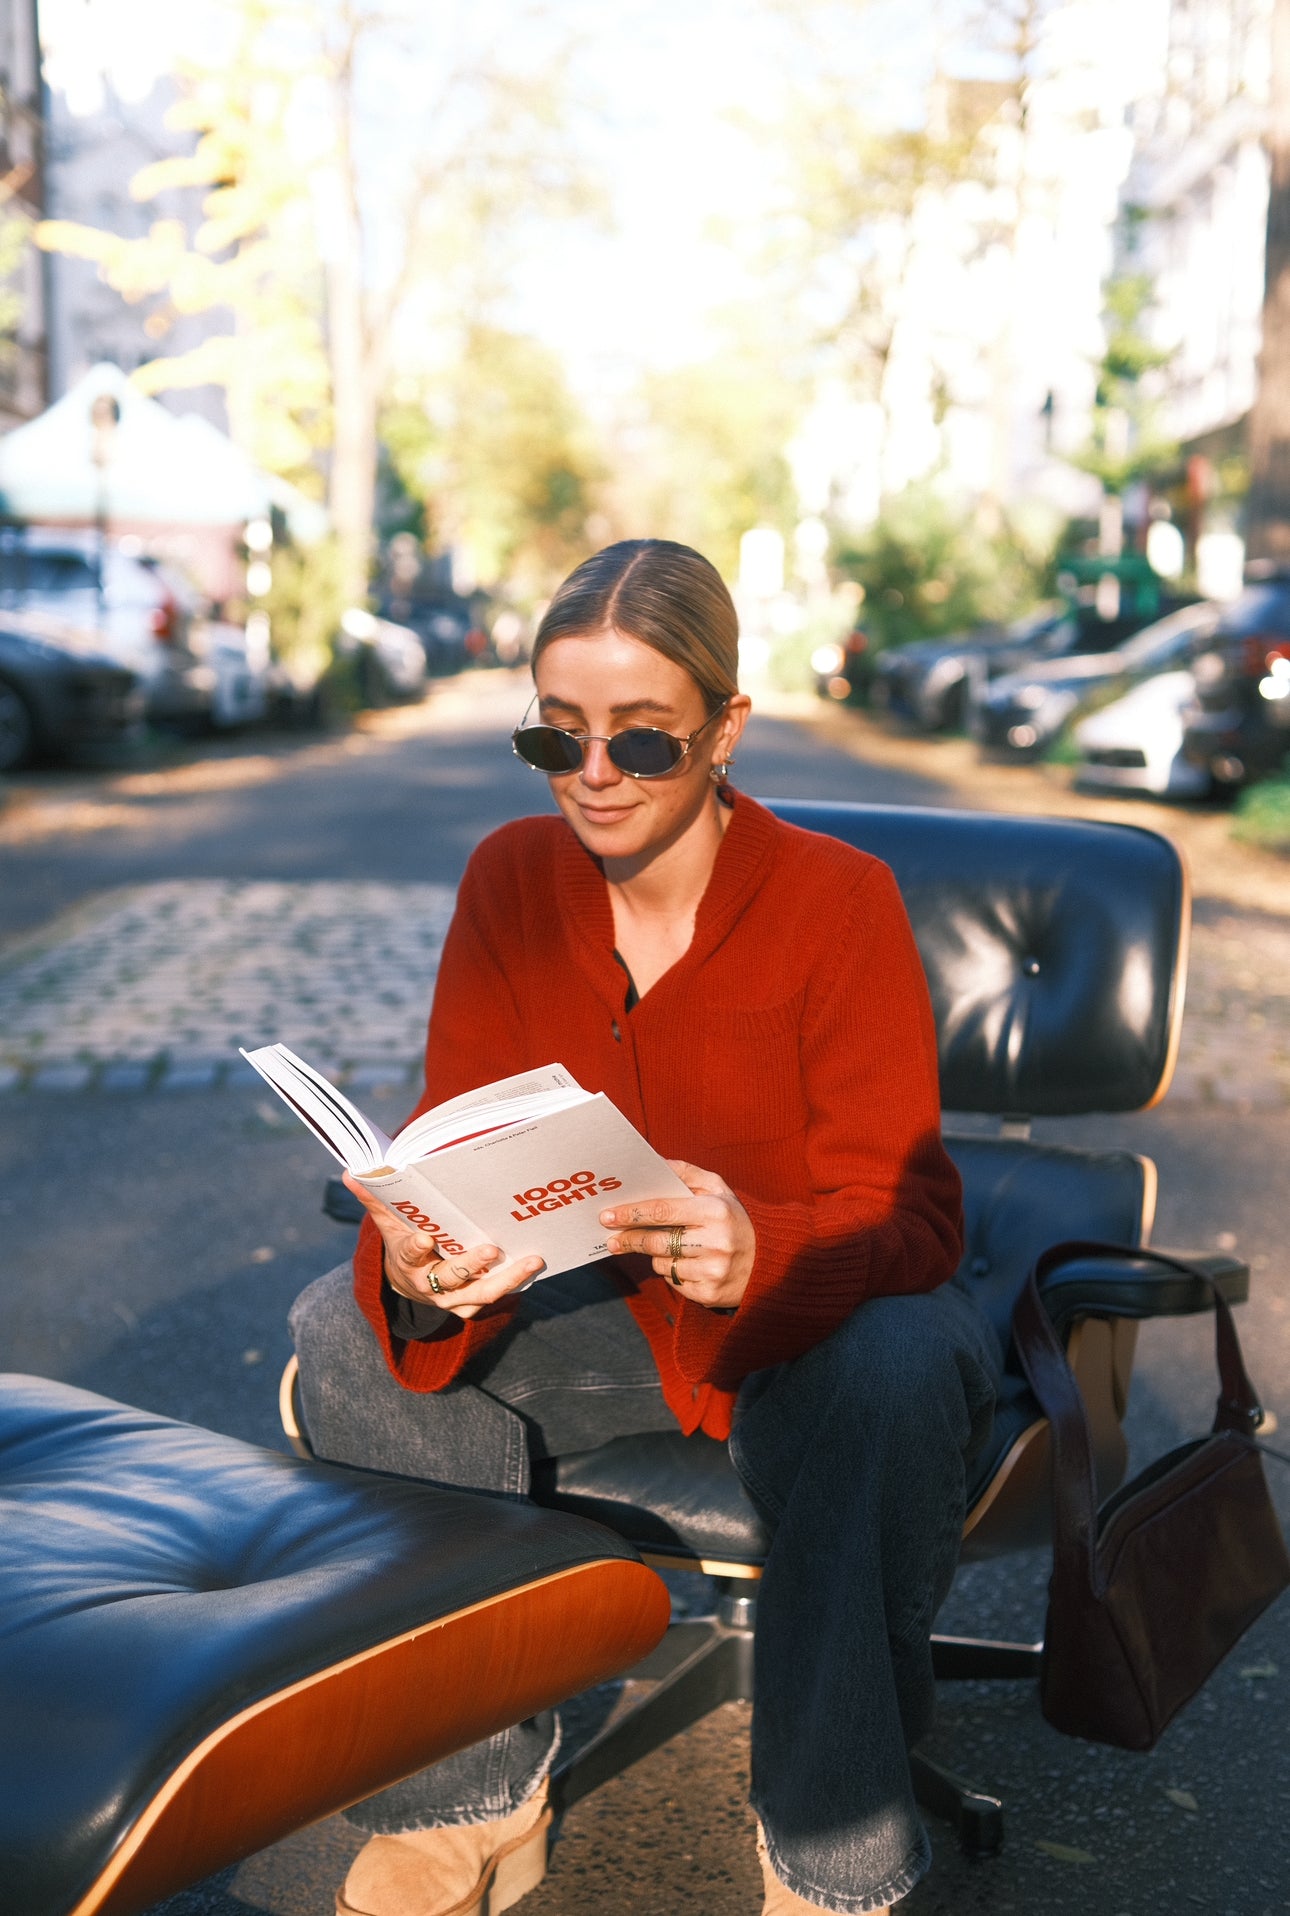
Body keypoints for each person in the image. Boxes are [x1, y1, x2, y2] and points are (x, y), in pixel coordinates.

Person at [290, 538, 1001, 1916]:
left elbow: (911, 1218)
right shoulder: (509, 879)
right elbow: (460, 1146)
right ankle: (468, 1797)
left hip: (810, 1328)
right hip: (602, 1322)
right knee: (347, 1321)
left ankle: (832, 1847)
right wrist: (426, 1259)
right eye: (554, 737)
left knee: (902, 1359)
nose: (594, 774)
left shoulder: (838, 901)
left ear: (727, 729)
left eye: (642, 740)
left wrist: (764, 1245)